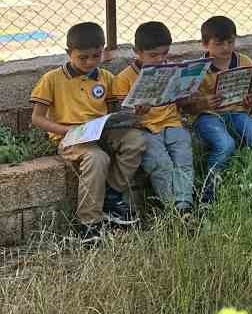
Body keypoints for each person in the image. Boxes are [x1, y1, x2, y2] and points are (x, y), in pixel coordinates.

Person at [30, 22, 144, 241]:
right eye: (83, 57)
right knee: (96, 157)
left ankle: (111, 196)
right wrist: (66, 130)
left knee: (135, 141)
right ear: (68, 53)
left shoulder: (105, 77)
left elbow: (114, 110)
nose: (90, 62)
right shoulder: (52, 79)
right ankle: (89, 224)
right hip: (70, 136)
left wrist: (131, 115)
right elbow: (37, 118)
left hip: (100, 131)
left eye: (96, 55)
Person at [114, 21, 194, 216]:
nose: (160, 59)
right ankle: (172, 206)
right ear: (137, 52)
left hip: (172, 123)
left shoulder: (172, 69)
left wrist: (188, 89)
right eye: (153, 55)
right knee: (160, 163)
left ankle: (184, 205)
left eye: (164, 53)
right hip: (145, 128)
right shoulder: (124, 79)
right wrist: (136, 111)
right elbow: (122, 116)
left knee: (183, 158)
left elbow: (181, 99)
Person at [188, 15, 252, 202]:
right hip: (207, 116)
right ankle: (209, 195)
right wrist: (204, 103)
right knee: (225, 145)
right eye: (219, 44)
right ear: (205, 44)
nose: (226, 48)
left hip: (237, 112)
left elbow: (250, 93)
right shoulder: (196, 69)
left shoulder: (245, 61)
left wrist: (249, 101)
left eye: (230, 42)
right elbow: (187, 107)